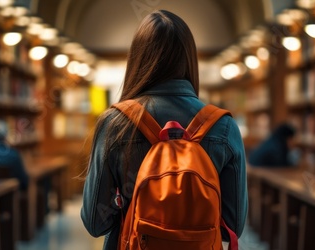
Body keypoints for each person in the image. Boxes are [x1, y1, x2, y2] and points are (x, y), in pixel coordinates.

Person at [80, 10, 248, 249]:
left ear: (137, 59)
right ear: (190, 59)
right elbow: (232, 226)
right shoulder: (224, 127)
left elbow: (95, 223)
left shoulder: (114, 124)